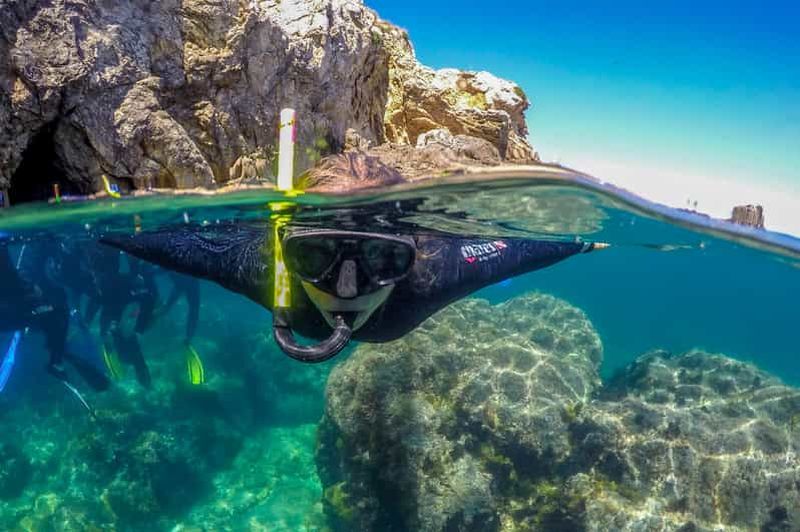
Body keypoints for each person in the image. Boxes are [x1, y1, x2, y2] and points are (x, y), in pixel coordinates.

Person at [100, 222, 605, 363]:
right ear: (287, 252)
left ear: (414, 255)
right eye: (314, 257)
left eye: (383, 260)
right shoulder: (264, 269)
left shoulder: (434, 271)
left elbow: (520, 250)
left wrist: (581, 243)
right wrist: (105, 229)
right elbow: (170, 246)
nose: (346, 291)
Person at [0, 238, 110, 393]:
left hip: (27, 305)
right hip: (20, 305)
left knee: (55, 315)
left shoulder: (56, 261)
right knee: (54, 316)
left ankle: (57, 361)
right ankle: (57, 361)